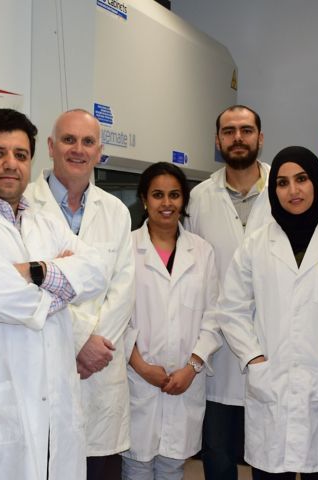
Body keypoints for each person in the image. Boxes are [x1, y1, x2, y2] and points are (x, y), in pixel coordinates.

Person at [0, 108, 112, 479]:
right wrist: (62, 282)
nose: (11, 164)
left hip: (54, 414)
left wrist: (34, 271)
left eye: (20, 155)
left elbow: (97, 272)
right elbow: (3, 300)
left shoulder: (44, 221)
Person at [216, 146, 318, 479]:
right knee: (270, 471)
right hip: (272, 384)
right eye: (282, 183)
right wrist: (254, 359)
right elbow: (231, 309)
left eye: (302, 179)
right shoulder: (255, 245)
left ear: (317, 184)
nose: (293, 190)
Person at [25, 109, 135, 478]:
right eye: (69, 140)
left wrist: (94, 345)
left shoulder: (116, 212)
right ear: (51, 147)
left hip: (101, 370)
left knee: (101, 467)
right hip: (48, 366)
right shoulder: (22, 207)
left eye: (88, 142)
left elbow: (123, 288)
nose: (78, 149)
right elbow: (28, 288)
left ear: (99, 151)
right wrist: (79, 343)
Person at [184, 105, 272, 480]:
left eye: (246, 130)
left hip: (271, 341)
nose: (238, 138)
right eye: (229, 131)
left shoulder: (286, 191)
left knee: (271, 450)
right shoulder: (199, 198)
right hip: (217, 347)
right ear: (218, 141)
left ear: (260, 138)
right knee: (218, 452)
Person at [121, 162, 222, 479]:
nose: (167, 203)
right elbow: (114, 316)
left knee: (172, 468)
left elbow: (214, 316)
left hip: (184, 380)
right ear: (144, 199)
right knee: (136, 466)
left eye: (174, 195)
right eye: (158, 195)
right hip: (137, 380)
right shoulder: (125, 248)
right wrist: (140, 366)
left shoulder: (202, 252)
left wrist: (192, 368)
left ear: (184, 200)